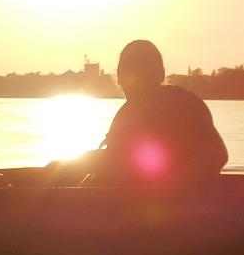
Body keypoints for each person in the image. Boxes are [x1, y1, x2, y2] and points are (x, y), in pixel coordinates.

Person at [85, 39, 228, 188]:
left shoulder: (183, 104)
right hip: (131, 201)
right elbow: (112, 160)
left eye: (145, 69)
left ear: (160, 74)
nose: (137, 77)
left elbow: (218, 154)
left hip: (179, 203)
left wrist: (169, 186)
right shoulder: (125, 116)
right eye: (129, 69)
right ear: (119, 77)